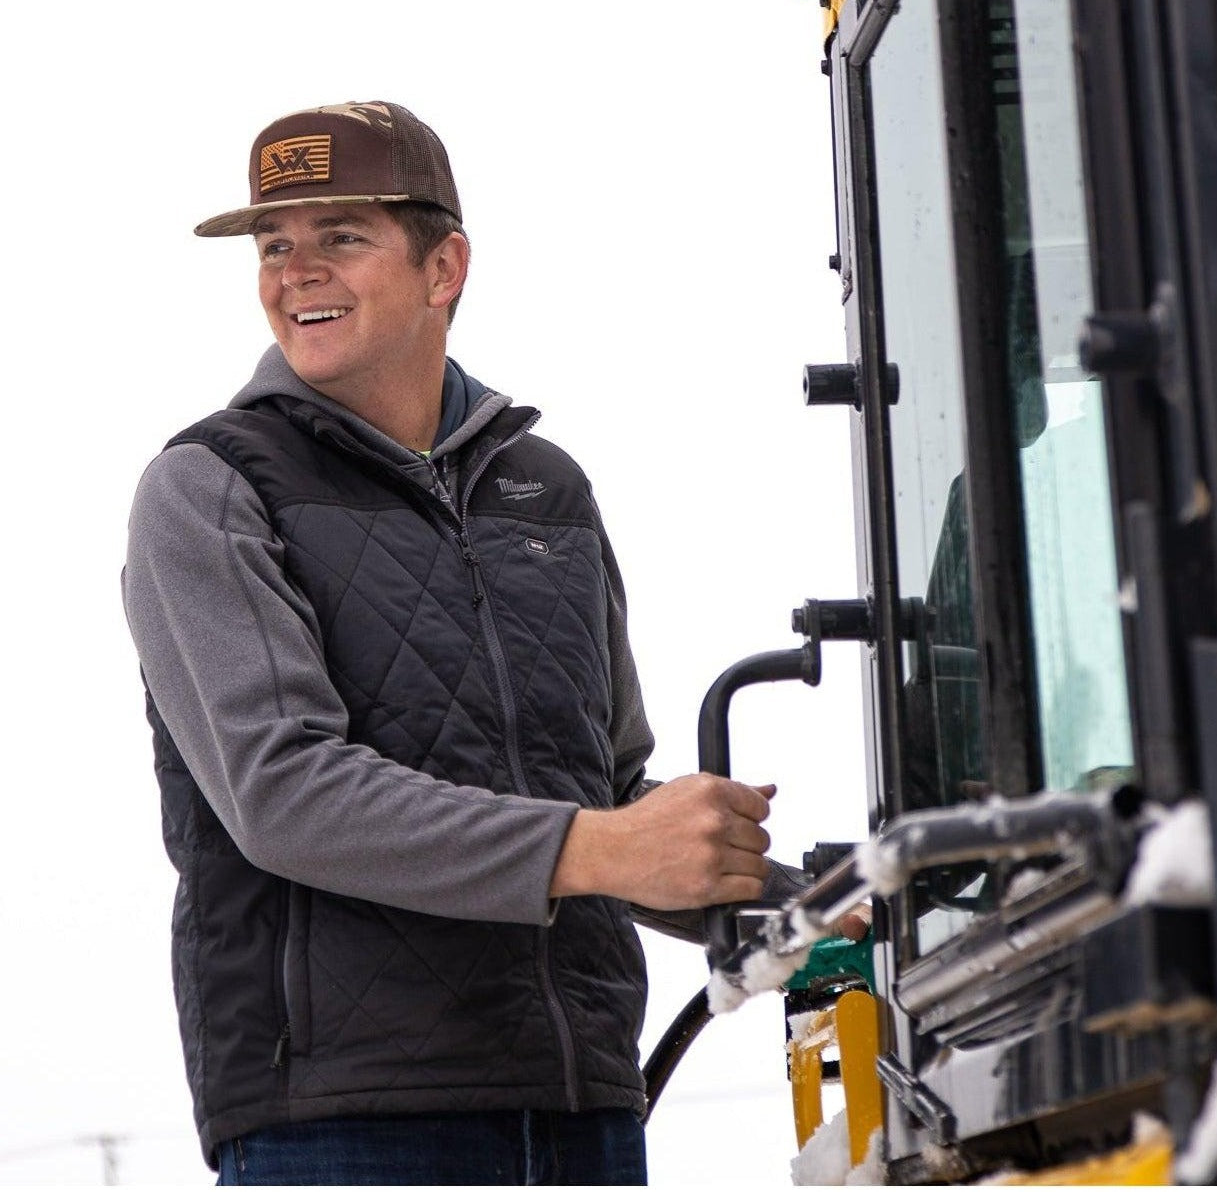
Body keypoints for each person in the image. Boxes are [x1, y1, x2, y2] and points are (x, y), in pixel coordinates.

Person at [123, 100, 786, 1186]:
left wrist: (802, 889)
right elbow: (282, 791)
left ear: (445, 267)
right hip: (343, 1125)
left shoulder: (547, 491)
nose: (297, 272)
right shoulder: (209, 489)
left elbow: (608, 790)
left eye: (340, 236)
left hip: (581, 1110)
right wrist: (609, 845)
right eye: (274, 245)